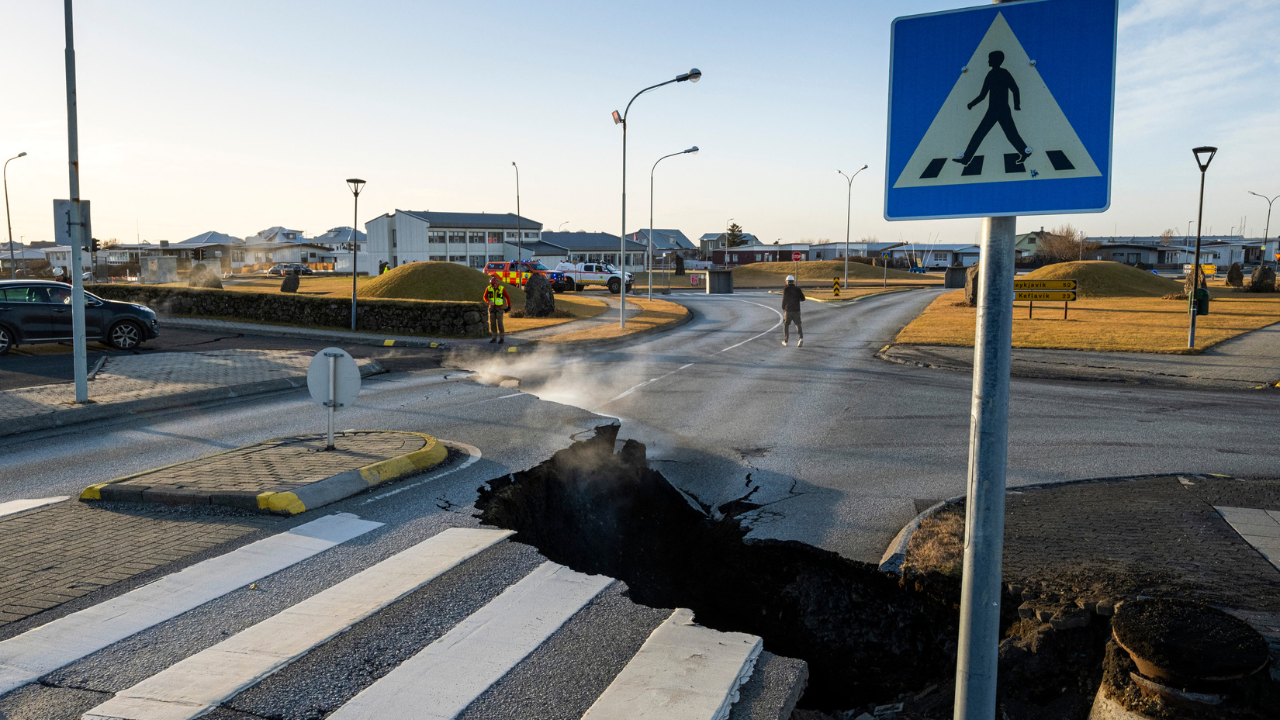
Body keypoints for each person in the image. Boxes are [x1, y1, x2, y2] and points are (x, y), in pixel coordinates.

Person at [955, 50, 1031, 167]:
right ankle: (966, 159)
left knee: (986, 134)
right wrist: (972, 104)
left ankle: (1024, 152)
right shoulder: (996, 74)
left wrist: (1017, 105)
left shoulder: (998, 74)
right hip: (997, 110)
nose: (988, 61)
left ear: (996, 60)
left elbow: (1014, 89)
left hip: (998, 110)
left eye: (990, 59)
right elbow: (984, 95)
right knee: (1006, 134)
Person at [482, 275, 511, 344]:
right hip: (491, 308)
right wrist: (488, 301)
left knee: (500, 323)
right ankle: (494, 338)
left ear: (497, 283)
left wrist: (508, 306)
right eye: (492, 285)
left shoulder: (501, 288)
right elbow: (484, 297)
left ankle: (501, 338)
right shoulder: (488, 288)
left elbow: (507, 297)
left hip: (499, 308)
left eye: (494, 285)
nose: (493, 286)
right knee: (492, 323)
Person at [781, 275, 805, 347]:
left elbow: (784, 299)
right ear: (793, 281)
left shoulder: (786, 289)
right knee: (798, 324)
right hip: (797, 309)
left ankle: (786, 340)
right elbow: (803, 298)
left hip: (788, 310)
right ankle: (800, 338)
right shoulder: (798, 289)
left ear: (787, 281)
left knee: (786, 324)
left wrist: (783, 308)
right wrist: (797, 299)